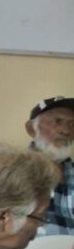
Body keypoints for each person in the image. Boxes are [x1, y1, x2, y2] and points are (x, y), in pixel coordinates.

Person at [26, 96, 74, 234]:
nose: (66, 130)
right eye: (57, 121)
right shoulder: (9, 172)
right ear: (31, 129)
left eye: (73, 124)